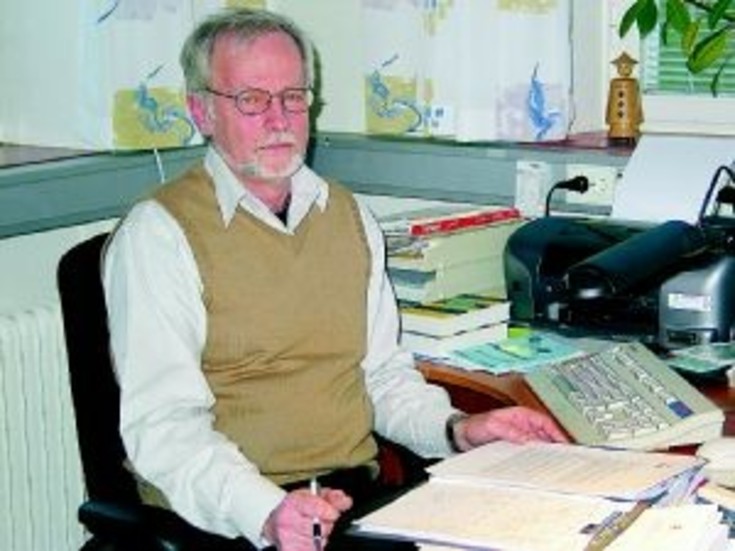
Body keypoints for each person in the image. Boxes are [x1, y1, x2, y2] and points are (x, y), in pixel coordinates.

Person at [103, 7, 568, 550]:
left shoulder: (346, 215)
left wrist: (458, 429)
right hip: (235, 519)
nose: (279, 119)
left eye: (293, 97)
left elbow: (383, 379)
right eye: (251, 100)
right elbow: (165, 431)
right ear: (201, 111)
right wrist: (270, 512)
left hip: (353, 503)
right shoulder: (159, 236)